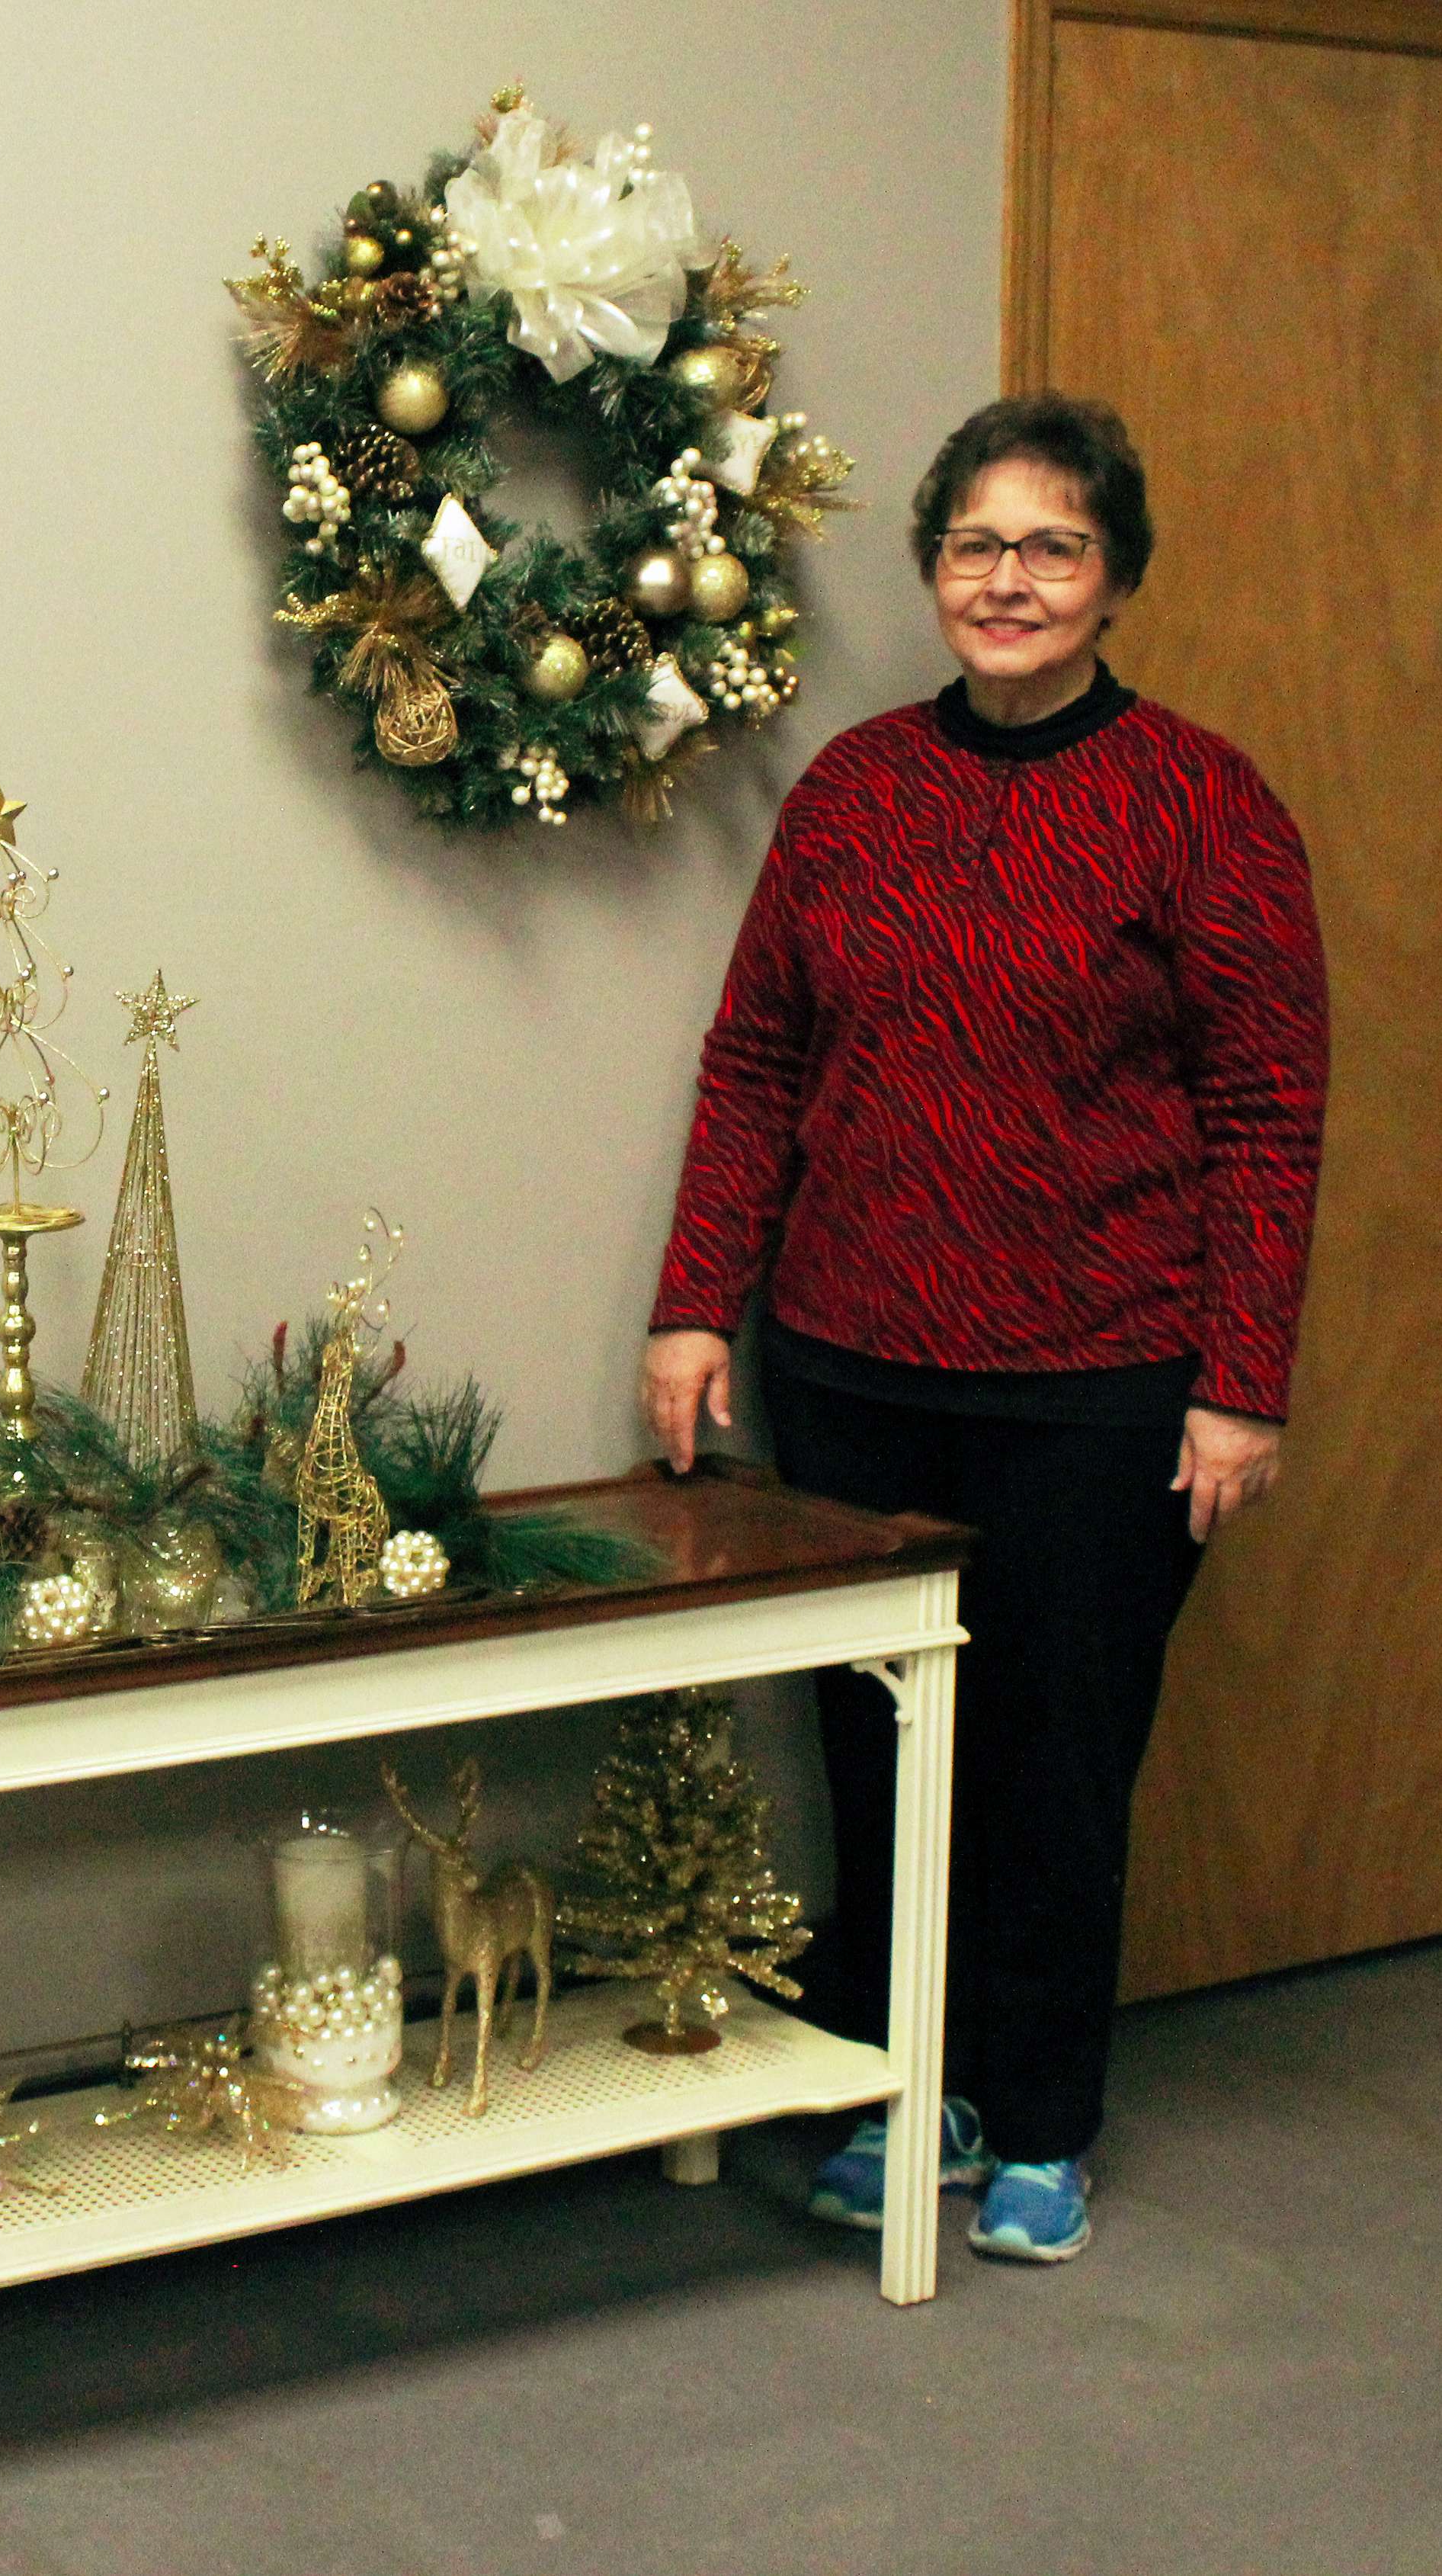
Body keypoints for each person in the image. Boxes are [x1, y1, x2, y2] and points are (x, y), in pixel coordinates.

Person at [642, 393, 1327, 2263]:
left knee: (1050, 1762)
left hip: (1099, 1390)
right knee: (874, 1757)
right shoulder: (856, 790)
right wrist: (699, 1299)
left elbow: (1271, 1106)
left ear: (1116, 581)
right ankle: (904, 2080)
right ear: (932, 567)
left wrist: (1240, 1386)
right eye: (975, 546)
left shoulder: (1204, 801)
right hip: (851, 1367)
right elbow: (758, 1061)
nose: (1006, 581)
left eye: (1052, 548)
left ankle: (1037, 2116)